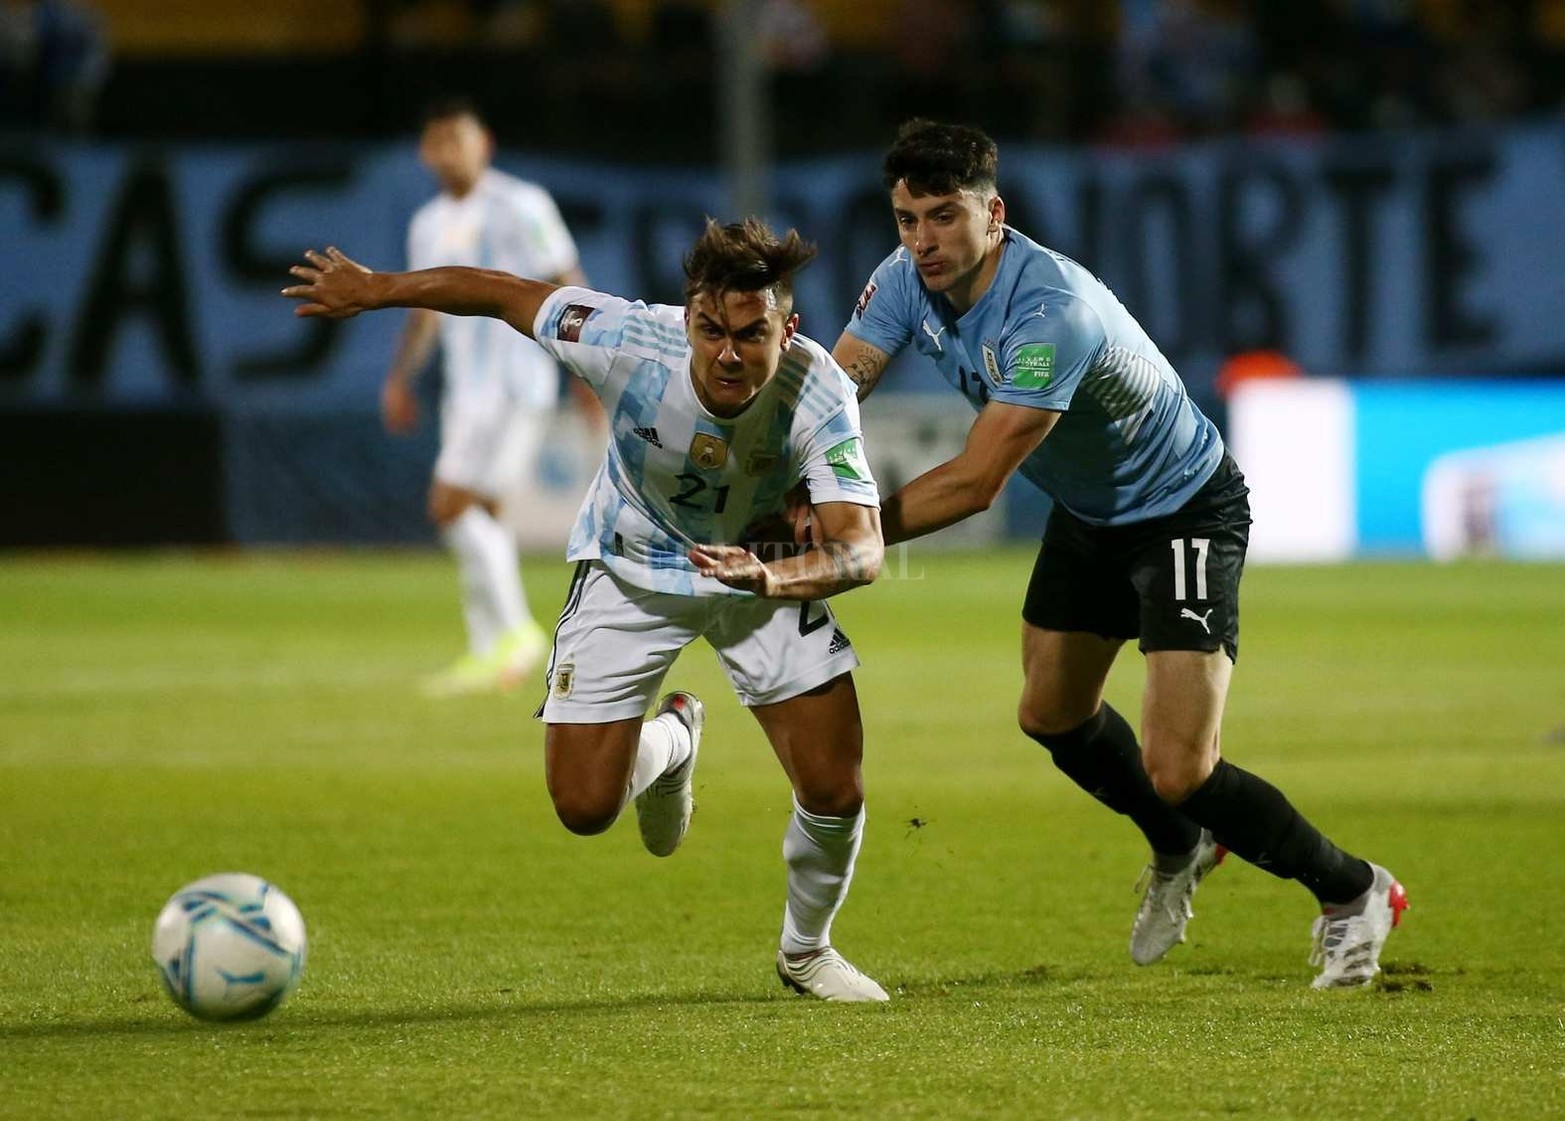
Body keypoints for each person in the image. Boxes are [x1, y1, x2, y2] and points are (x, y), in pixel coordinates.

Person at [831, 119, 1407, 989]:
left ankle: (1353, 889)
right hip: (1090, 511)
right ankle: (1181, 840)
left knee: (1180, 766)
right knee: (1050, 715)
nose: (923, 241)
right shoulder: (902, 280)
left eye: (943, 217)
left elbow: (978, 480)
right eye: (907, 219)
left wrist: (839, 528)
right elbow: (836, 387)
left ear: (995, 213)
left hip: (1182, 509)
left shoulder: (1049, 310)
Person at [284, 219, 891, 1002]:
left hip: (759, 572)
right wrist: (380, 291)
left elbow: (862, 550)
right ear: (687, 318)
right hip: (631, 566)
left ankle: (806, 951)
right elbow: (504, 294)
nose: (728, 353)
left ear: (789, 328)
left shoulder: (818, 392)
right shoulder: (628, 340)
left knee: (835, 787)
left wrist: (771, 581)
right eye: (711, 330)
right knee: (582, 807)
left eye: (751, 333)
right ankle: (673, 738)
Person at [385, 96, 594, 697]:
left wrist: (587, 370)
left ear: (486, 143)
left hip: (515, 381)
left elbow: (566, 281)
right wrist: (401, 377)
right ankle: (490, 649)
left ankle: (516, 632)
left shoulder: (521, 203)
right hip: (464, 390)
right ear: (425, 153)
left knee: (449, 505)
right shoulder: (426, 223)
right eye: (438, 141)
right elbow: (424, 312)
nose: (449, 151)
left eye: (459, 138)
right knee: (487, 514)